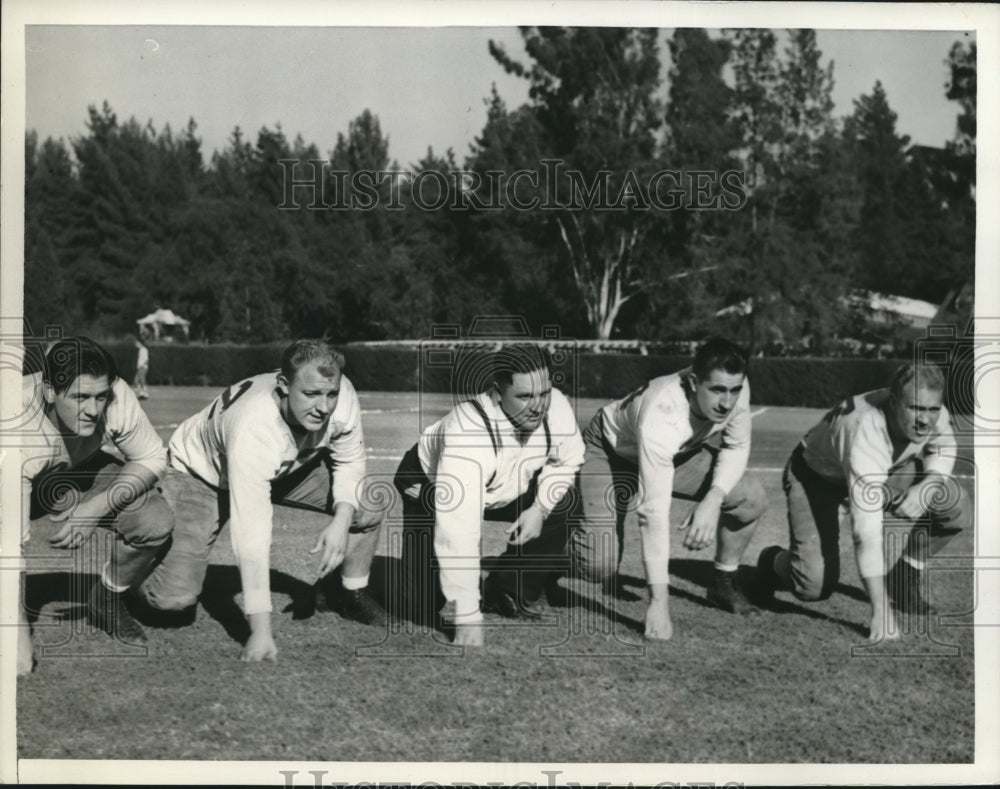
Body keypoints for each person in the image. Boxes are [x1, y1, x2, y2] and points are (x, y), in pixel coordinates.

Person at [135, 339, 384, 662]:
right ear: (284, 385)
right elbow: (251, 536)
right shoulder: (254, 427)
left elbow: (350, 461)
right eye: (310, 394)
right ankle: (130, 569)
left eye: (330, 394)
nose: (324, 406)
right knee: (171, 602)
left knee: (369, 504)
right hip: (202, 475)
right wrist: (261, 631)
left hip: (286, 466)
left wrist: (341, 518)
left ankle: (347, 593)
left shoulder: (342, 391)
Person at [756, 363, 970, 642]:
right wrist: (880, 611)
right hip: (818, 479)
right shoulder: (865, 430)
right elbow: (866, 534)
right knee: (812, 586)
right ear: (894, 402)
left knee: (956, 506)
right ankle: (772, 561)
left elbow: (944, 446)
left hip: (887, 471)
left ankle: (903, 577)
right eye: (915, 408)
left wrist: (927, 486)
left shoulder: (932, 409)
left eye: (932, 410)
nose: (925, 420)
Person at [572, 337, 767, 641]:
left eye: (734, 390)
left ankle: (723, 582)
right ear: (693, 382)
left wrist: (713, 498)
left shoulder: (734, 385)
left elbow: (737, 445)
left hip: (680, 453)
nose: (727, 402)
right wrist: (659, 603)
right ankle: (542, 547)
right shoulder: (663, 412)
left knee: (750, 498)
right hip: (613, 452)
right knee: (598, 564)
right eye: (716, 390)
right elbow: (653, 513)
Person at [393, 344, 585, 647]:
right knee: (421, 604)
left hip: (504, 487)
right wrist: (467, 614)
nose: (538, 406)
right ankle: (349, 581)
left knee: (566, 499)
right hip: (431, 483)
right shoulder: (467, 431)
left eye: (543, 393)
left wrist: (541, 509)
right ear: (497, 393)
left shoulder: (556, 405)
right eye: (524, 396)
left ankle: (508, 589)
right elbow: (459, 527)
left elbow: (568, 460)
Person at [17, 337, 174, 675]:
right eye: (79, 397)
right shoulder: (15, 427)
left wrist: (96, 507)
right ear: (48, 392)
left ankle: (106, 597)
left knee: (153, 519)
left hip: (76, 470)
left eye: (99, 396)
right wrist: (17, 639)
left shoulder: (115, 395)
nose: (93, 409)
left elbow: (151, 457)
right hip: (14, 472)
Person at [134, 336, 150, 400]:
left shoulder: (144, 350)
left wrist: (142, 366)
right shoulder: (141, 350)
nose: (136, 344)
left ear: (140, 343)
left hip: (143, 368)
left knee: (141, 380)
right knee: (136, 380)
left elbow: (146, 359)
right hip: (140, 367)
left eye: (137, 343)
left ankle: (145, 394)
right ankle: (141, 394)